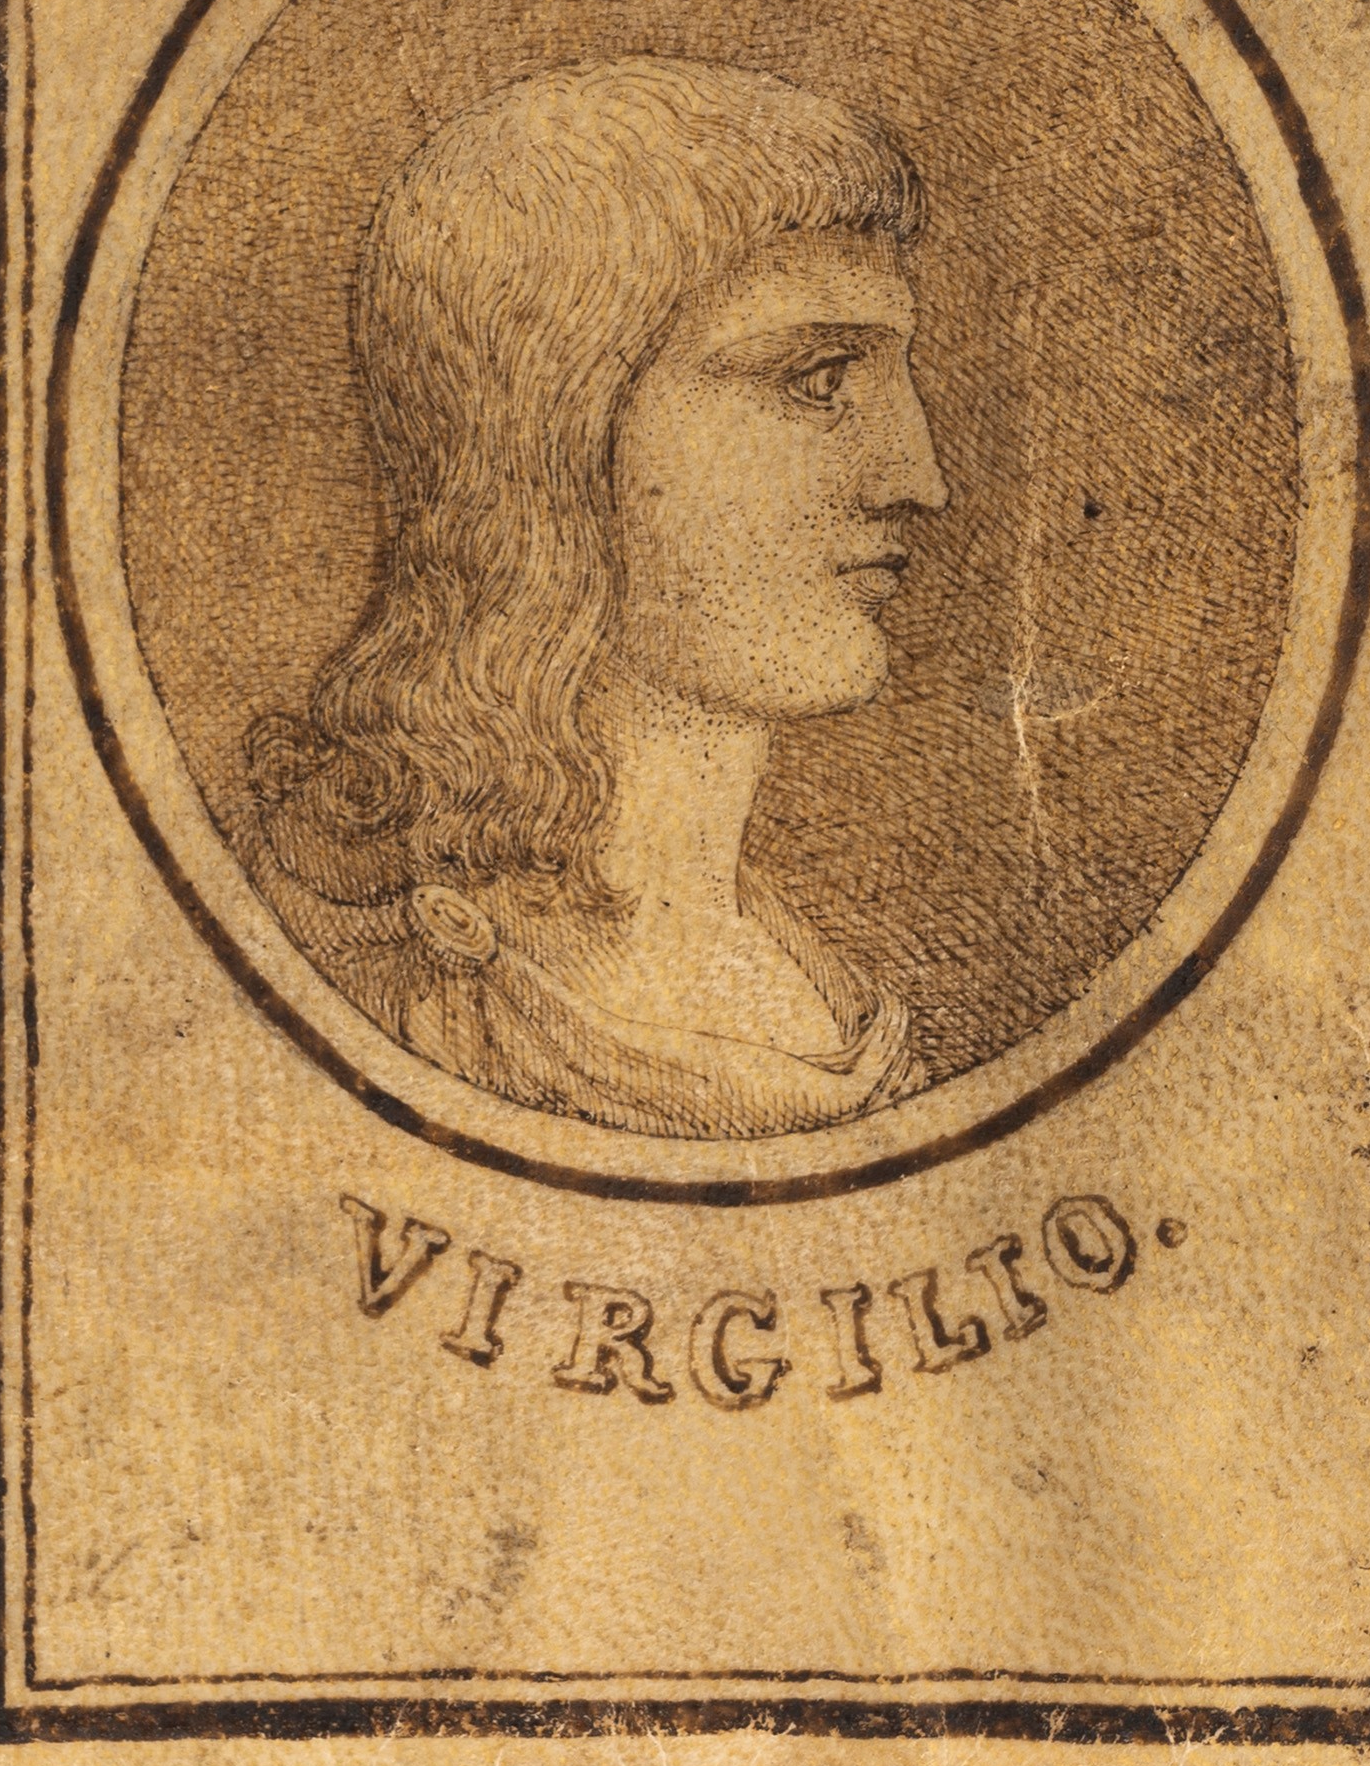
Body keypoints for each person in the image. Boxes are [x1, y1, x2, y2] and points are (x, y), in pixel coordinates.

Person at [245, 56, 949, 1138]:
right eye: (815, 380)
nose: (918, 477)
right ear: (549, 436)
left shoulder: (821, 989)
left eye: (895, 376)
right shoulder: (372, 977)